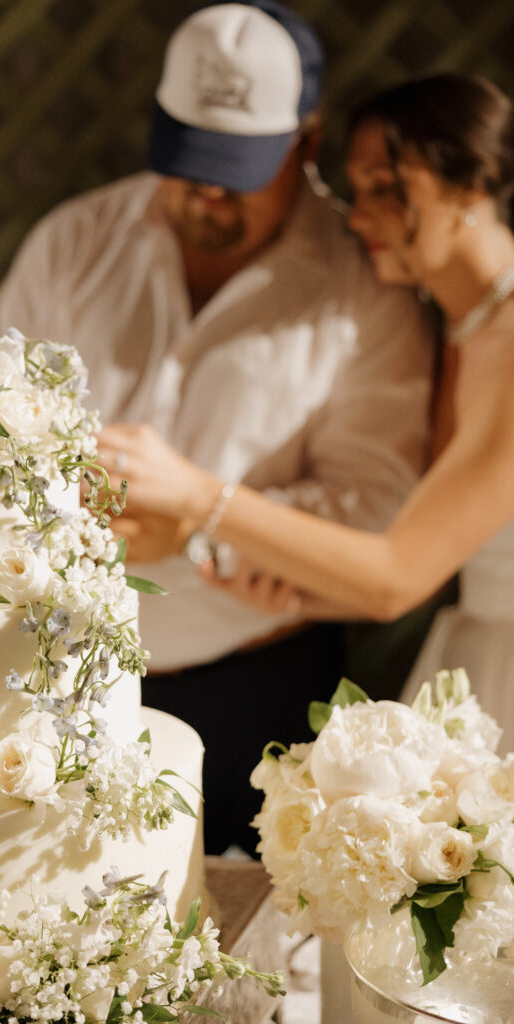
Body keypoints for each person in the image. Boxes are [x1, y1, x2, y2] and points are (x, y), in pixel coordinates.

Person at [0, 1, 436, 854]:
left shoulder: (362, 290)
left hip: (252, 698)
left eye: (238, 167)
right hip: (52, 686)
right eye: (189, 159)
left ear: (306, 139)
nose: (209, 190)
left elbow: (376, 513)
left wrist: (200, 533)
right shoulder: (74, 242)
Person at [98, 72, 514, 756]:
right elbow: (433, 561)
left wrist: (198, 495)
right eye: (358, 190)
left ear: (470, 185)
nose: (356, 216)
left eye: (385, 188)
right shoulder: (463, 329)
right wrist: (297, 595)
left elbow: (397, 576)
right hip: (472, 639)